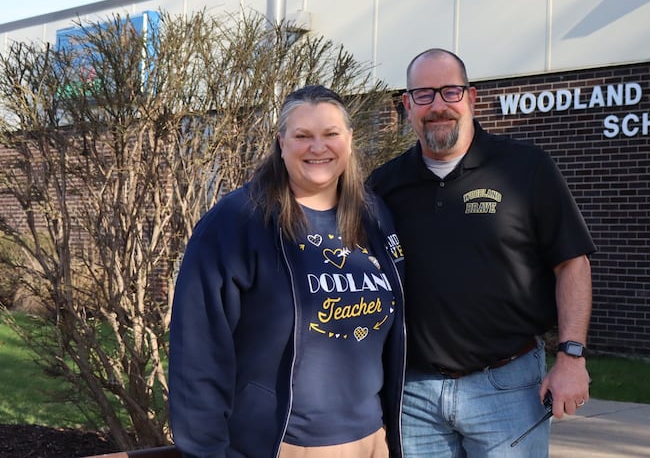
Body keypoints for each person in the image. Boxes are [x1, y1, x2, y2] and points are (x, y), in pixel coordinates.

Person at [367, 49, 596, 457]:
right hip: (414, 394)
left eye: (450, 91)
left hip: (508, 387)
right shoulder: (384, 186)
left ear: (471, 98)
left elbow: (572, 263)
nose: (438, 105)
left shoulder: (525, 169)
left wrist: (572, 357)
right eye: (424, 94)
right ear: (407, 105)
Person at [169, 85, 406, 458]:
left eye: (330, 134)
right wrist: (206, 451)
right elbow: (197, 350)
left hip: (372, 441)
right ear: (281, 143)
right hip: (285, 445)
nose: (318, 147)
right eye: (302, 136)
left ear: (349, 140)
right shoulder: (236, 222)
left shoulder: (373, 216)